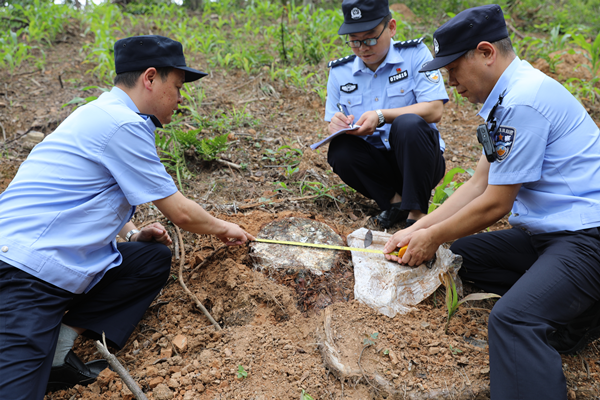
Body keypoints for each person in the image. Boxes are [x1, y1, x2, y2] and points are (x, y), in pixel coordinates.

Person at [0, 35, 254, 399]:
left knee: (150, 257)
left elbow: (87, 190)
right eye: (178, 87)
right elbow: (181, 212)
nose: (181, 99)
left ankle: (57, 348)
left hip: (40, 261)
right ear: (150, 78)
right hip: (25, 274)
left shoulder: (100, 114)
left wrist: (133, 233)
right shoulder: (123, 124)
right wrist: (226, 228)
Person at [383, 4, 600, 399]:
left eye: (453, 69)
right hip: (551, 237)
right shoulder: (508, 100)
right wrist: (418, 229)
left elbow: (495, 205)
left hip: (587, 240)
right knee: (464, 256)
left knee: (513, 320)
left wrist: (432, 238)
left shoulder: (524, 101)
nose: (451, 83)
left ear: (486, 53)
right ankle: (580, 311)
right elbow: (477, 185)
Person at [324, 0, 449, 229]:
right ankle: (395, 202)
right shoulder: (340, 72)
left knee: (408, 124)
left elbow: (434, 109)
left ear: (391, 28)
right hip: (377, 167)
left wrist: (381, 115)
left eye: (370, 38)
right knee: (340, 148)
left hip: (419, 160)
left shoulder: (415, 55)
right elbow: (333, 119)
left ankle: (416, 213)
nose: (363, 48)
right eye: (354, 41)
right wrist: (337, 124)